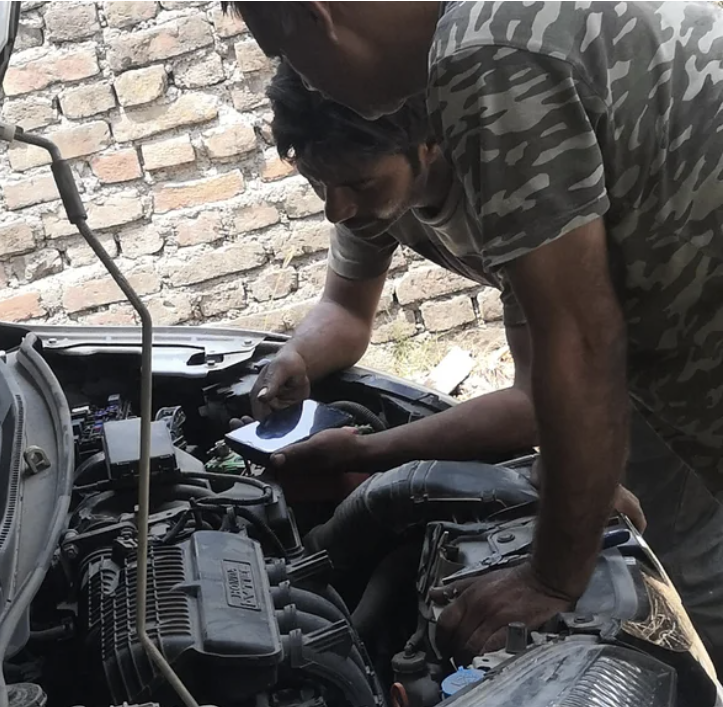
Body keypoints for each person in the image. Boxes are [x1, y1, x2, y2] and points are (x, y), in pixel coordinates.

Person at [227, 2, 723, 664]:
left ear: (317, 17)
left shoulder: (477, 55)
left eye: (281, 47)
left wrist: (551, 576)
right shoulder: (485, 29)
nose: (303, 78)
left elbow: (575, 343)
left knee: (691, 562)